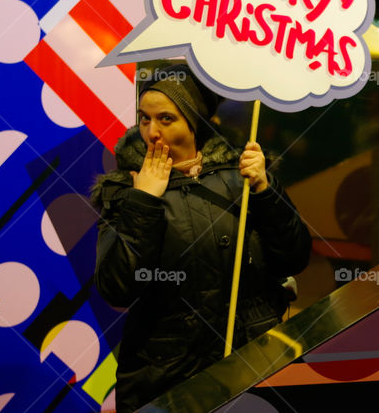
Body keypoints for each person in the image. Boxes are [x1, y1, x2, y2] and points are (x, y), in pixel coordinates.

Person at [93, 65, 311, 411]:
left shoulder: (241, 175)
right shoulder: (125, 188)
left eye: (166, 119)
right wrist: (144, 202)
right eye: (144, 118)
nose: (152, 132)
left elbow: (294, 256)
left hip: (252, 364)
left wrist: (266, 191)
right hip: (168, 378)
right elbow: (117, 288)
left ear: (195, 120)